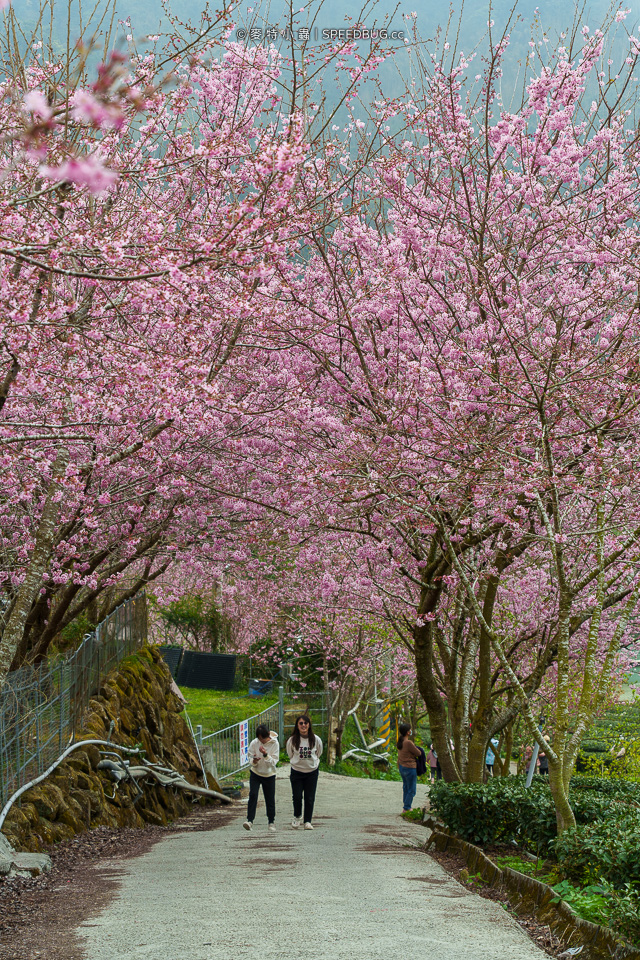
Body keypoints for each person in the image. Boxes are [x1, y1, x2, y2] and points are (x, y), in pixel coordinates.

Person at [286, 715, 323, 830]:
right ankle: (297, 817)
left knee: (309, 797)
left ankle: (307, 821)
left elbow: (319, 752)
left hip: (311, 772)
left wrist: (313, 764)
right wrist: (296, 762)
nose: (303, 725)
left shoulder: (316, 739)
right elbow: (290, 754)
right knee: (297, 796)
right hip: (297, 771)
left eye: (306, 723)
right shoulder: (292, 740)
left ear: (309, 725)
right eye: (301, 723)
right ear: (297, 726)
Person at [244, 723, 279, 833]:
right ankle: (250, 821)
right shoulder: (254, 743)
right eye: (259, 739)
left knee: (269, 798)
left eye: (263, 739)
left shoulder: (275, 744)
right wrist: (253, 761)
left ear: (268, 734)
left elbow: (273, 763)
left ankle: (271, 821)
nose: (262, 741)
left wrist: (265, 755)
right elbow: (249, 756)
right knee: (253, 794)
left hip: (269, 774)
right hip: (256, 772)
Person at [397, 722, 420, 813]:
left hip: (402, 767)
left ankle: (406, 805)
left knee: (406, 787)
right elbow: (418, 753)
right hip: (410, 767)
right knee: (412, 789)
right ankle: (406, 807)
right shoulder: (408, 743)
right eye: (410, 730)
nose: (411, 731)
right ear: (407, 732)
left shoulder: (400, 742)